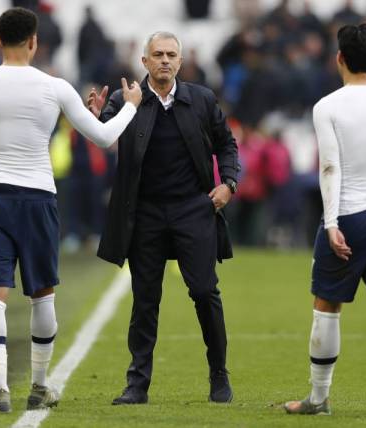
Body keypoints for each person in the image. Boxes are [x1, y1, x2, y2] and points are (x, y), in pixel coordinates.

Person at [0, 7, 141, 416]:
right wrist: (131, 106)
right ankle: (39, 385)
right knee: (42, 294)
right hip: (38, 200)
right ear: (34, 41)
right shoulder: (55, 88)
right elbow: (103, 137)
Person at [88, 31, 239, 405]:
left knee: (205, 292)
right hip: (145, 213)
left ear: (181, 62)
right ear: (144, 62)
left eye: (171, 54)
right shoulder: (128, 100)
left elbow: (227, 144)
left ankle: (219, 374)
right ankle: (137, 384)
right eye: (157, 54)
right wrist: (95, 119)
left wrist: (229, 184)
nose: (165, 60)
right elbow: (103, 135)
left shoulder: (202, 100)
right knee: (145, 300)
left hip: (194, 208)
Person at [284, 24, 366, 418]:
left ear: (338, 57)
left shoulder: (328, 106)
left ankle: (319, 398)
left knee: (327, 307)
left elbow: (329, 168)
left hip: (347, 216)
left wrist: (331, 223)